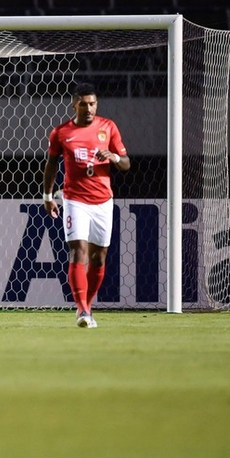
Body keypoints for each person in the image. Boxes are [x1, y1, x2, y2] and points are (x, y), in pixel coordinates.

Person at [42, 83, 131, 328]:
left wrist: (114, 157)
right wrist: (48, 196)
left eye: (92, 104)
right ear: (74, 105)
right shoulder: (61, 132)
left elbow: (126, 163)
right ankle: (82, 309)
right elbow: (51, 164)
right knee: (78, 251)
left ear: (96, 104)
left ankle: (87, 308)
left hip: (103, 201)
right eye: (83, 104)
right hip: (74, 200)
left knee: (98, 258)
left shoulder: (108, 127)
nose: (89, 108)